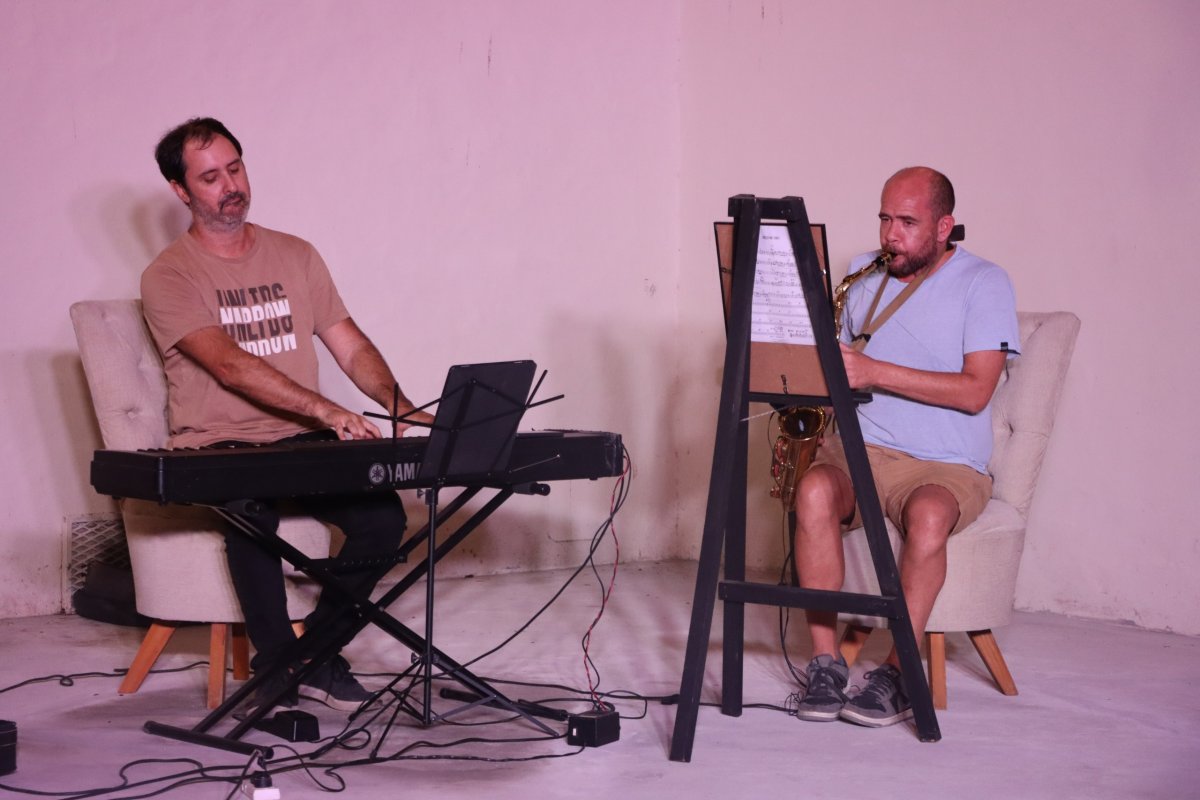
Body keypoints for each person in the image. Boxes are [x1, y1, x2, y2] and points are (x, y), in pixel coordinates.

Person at [140, 117, 436, 716]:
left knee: (381, 518)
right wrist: (326, 407)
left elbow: (348, 342)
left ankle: (317, 654)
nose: (231, 186)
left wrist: (397, 404)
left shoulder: (296, 254)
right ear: (180, 190)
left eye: (235, 168)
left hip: (301, 438)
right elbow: (228, 365)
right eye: (210, 177)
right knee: (252, 517)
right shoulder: (168, 275)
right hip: (219, 443)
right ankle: (276, 669)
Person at [790, 167, 1019, 727]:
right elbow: (834, 368)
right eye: (885, 219)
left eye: (908, 223)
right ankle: (825, 665)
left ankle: (897, 674)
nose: (891, 235)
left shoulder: (985, 282)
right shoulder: (862, 274)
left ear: (944, 226)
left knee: (931, 516)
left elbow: (976, 391)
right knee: (814, 491)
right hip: (861, 449)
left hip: (945, 463)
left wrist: (875, 372)